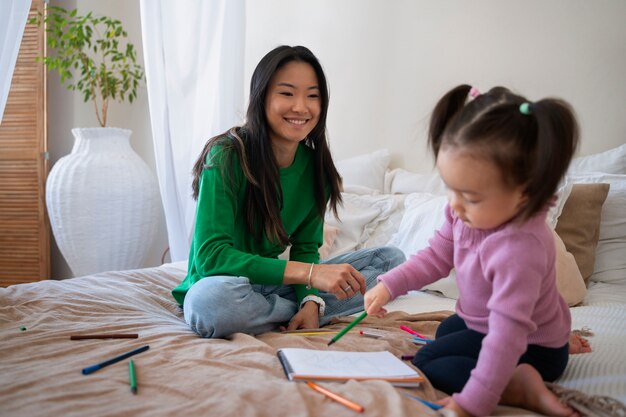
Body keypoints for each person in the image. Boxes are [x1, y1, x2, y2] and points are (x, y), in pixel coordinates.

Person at [364, 85, 581, 417]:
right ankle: (555, 342)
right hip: (492, 324)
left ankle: (519, 385)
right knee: (450, 328)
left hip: (531, 345)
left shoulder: (519, 249)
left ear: (525, 192)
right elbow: (437, 256)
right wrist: (389, 284)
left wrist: (472, 404)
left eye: (472, 197)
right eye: (451, 189)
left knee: (428, 360)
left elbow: (506, 336)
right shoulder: (461, 213)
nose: (455, 205)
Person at [172, 45, 405, 339]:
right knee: (210, 304)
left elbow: (306, 248)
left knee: (392, 262)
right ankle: (296, 310)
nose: (300, 107)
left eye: (312, 95)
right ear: (262, 97)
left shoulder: (315, 167)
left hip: (272, 284)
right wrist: (310, 277)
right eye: (287, 93)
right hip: (221, 284)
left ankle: (301, 310)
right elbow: (212, 257)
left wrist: (310, 299)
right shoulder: (226, 155)